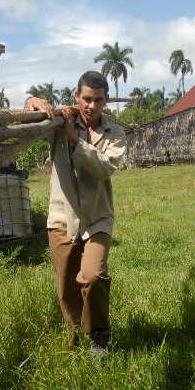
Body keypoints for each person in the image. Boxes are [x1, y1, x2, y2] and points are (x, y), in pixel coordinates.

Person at [25, 71, 126, 355]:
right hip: (62, 216)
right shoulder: (59, 122)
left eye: (98, 100)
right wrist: (31, 101)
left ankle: (98, 339)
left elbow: (103, 167)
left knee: (92, 276)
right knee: (66, 285)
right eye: (86, 99)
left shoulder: (115, 134)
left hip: (97, 217)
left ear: (106, 101)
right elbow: (28, 119)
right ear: (77, 97)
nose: (91, 106)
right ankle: (74, 332)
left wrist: (74, 139)